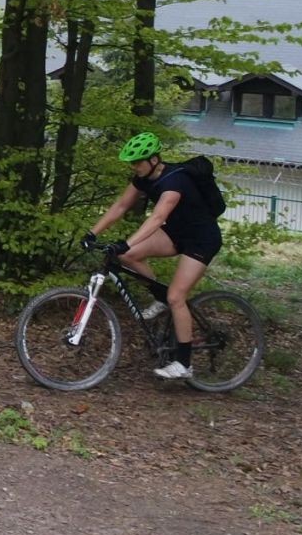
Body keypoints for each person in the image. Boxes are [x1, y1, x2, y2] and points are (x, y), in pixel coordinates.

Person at [83, 132, 222, 380]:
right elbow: (121, 206)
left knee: (176, 296)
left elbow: (157, 218)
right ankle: (160, 298)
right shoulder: (143, 178)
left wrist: (125, 242)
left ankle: (184, 363)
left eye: (138, 162)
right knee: (129, 256)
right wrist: (92, 233)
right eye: (132, 163)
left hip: (202, 239)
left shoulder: (175, 182)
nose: (134, 167)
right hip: (176, 233)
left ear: (154, 160)